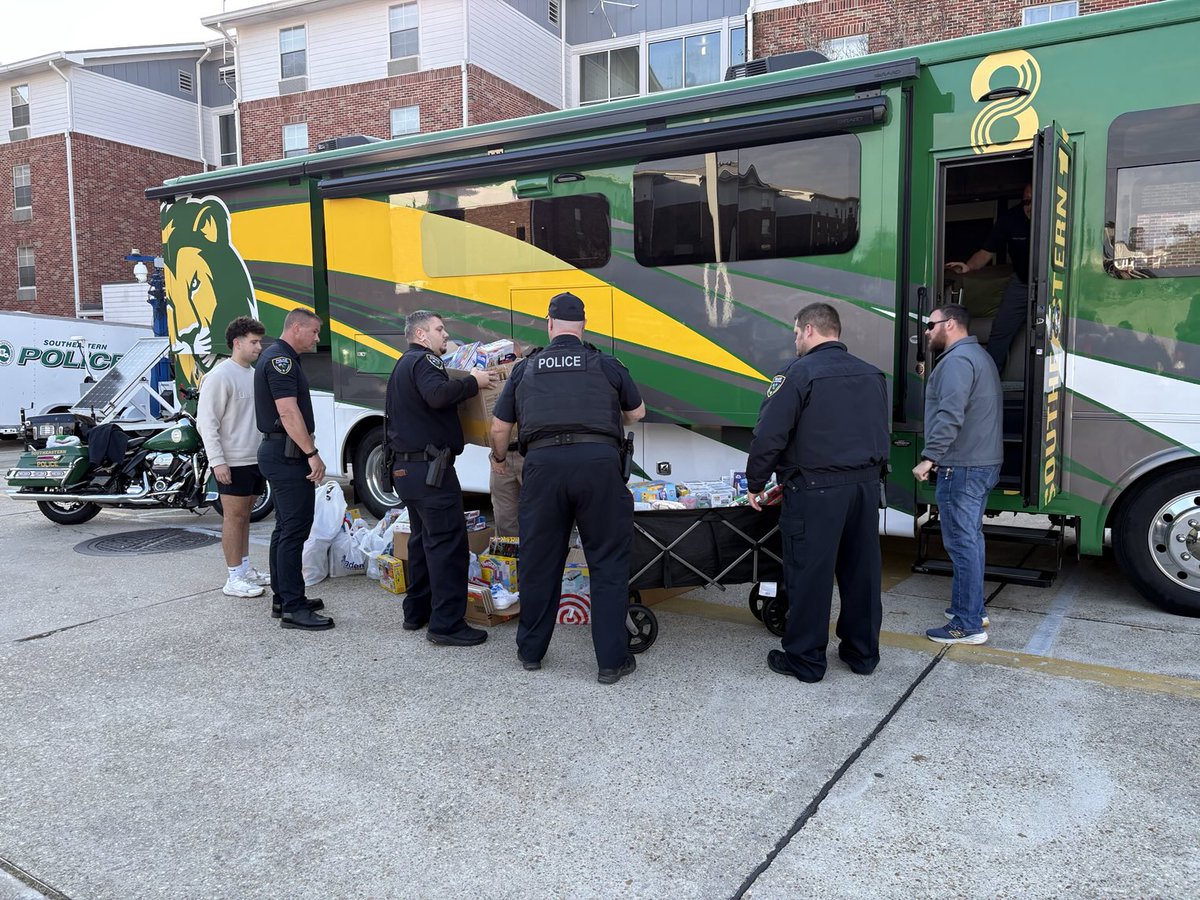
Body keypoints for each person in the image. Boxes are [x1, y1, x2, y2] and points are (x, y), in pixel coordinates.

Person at [490, 292, 646, 684]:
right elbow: (637, 413)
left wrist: (498, 459)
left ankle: (531, 652)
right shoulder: (606, 364)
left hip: (543, 468)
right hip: (598, 465)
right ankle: (611, 662)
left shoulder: (526, 369)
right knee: (607, 563)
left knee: (540, 562)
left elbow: (498, 428)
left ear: (549, 324)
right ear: (584, 326)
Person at [746, 302, 889, 684]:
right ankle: (863, 654)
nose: (794, 340)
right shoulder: (872, 373)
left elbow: (769, 435)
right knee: (862, 573)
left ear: (810, 330)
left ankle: (806, 661)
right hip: (864, 489)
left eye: (795, 332)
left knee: (810, 575)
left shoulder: (796, 374)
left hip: (815, 491)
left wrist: (755, 482)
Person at [385, 310, 496, 646]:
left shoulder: (403, 363)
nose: (445, 334)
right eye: (439, 329)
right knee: (447, 544)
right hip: (431, 472)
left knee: (422, 541)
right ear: (421, 334)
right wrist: (472, 382)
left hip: (409, 471)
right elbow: (437, 395)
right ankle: (446, 625)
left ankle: (416, 612)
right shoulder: (425, 362)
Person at [912, 303, 1003, 645]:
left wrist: (929, 458)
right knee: (971, 539)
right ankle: (972, 609)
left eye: (930, 324)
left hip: (962, 466)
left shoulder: (956, 362)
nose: (926, 331)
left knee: (962, 543)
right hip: (981, 463)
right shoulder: (978, 356)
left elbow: (950, 414)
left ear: (949, 324)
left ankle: (966, 625)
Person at [254, 307, 332, 631]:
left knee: (285, 528)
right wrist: (311, 453)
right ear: (297, 328)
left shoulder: (281, 357)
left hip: (281, 452)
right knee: (294, 530)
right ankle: (293, 608)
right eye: (313, 332)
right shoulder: (280, 360)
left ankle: (283, 597)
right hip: (286, 455)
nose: (316, 339)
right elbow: (287, 413)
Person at [197, 316, 270, 599]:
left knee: (245, 518)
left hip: (254, 458)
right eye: (253, 342)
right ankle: (233, 577)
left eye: (259, 341)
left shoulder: (253, 374)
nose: (259, 347)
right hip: (233, 461)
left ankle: (245, 569)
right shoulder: (219, 376)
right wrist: (218, 462)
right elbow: (207, 422)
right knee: (234, 517)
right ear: (237, 343)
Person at [945, 183, 1032, 374]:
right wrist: (968, 266)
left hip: (1053, 281)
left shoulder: (1058, 218)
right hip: (1022, 282)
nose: (1030, 205)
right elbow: (985, 253)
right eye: (1026, 200)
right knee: (1000, 330)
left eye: (1035, 201)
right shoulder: (1010, 219)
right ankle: (989, 379)